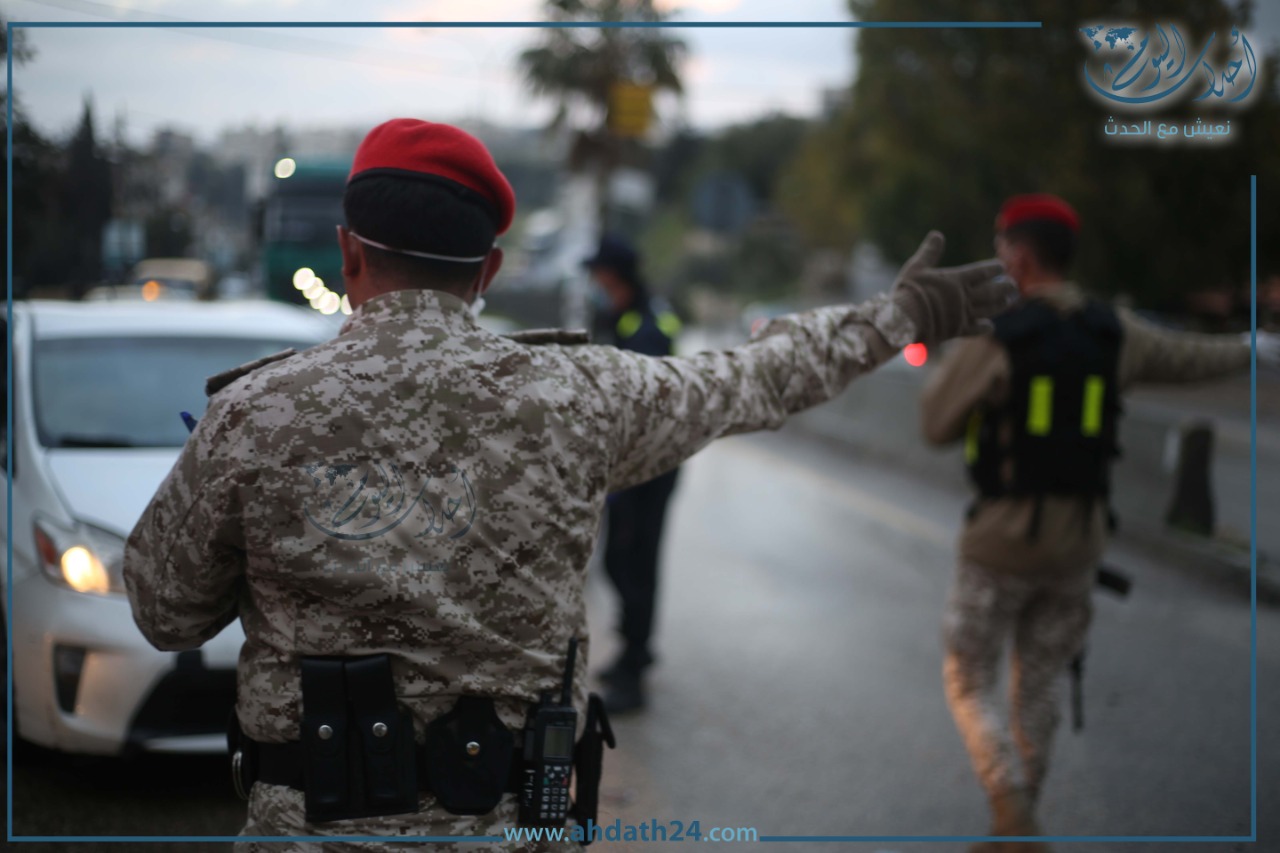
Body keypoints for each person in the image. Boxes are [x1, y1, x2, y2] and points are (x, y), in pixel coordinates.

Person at [123, 116, 1013, 852]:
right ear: (489, 271)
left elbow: (164, 611)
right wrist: (900, 315)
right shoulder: (582, 395)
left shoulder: (256, 414)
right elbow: (755, 379)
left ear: (349, 254)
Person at [920, 193, 1280, 853]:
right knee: (1040, 686)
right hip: (1080, 545)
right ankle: (1019, 825)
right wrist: (1252, 345)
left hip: (999, 543)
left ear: (1019, 258)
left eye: (1001, 249)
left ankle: (1010, 808)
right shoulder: (1115, 332)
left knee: (968, 678)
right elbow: (1189, 358)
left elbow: (935, 423)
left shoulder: (999, 333)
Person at [582, 234, 682, 714]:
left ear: (614, 274)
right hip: (631, 465)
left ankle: (634, 671)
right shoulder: (625, 316)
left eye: (598, 273)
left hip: (647, 468)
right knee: (621, 564)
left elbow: (637, 402)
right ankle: (631, 651)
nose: (593, 281)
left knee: (633, 565)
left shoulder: (646, 326)